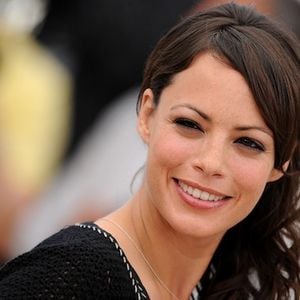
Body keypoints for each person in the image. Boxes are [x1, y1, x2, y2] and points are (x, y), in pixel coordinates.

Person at [0, 2, 299, 299]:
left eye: (248, 142)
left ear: (281, 161)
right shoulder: (69, 277)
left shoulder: (227, 284)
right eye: (189, 124)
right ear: (146, 116)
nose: (211, 163)